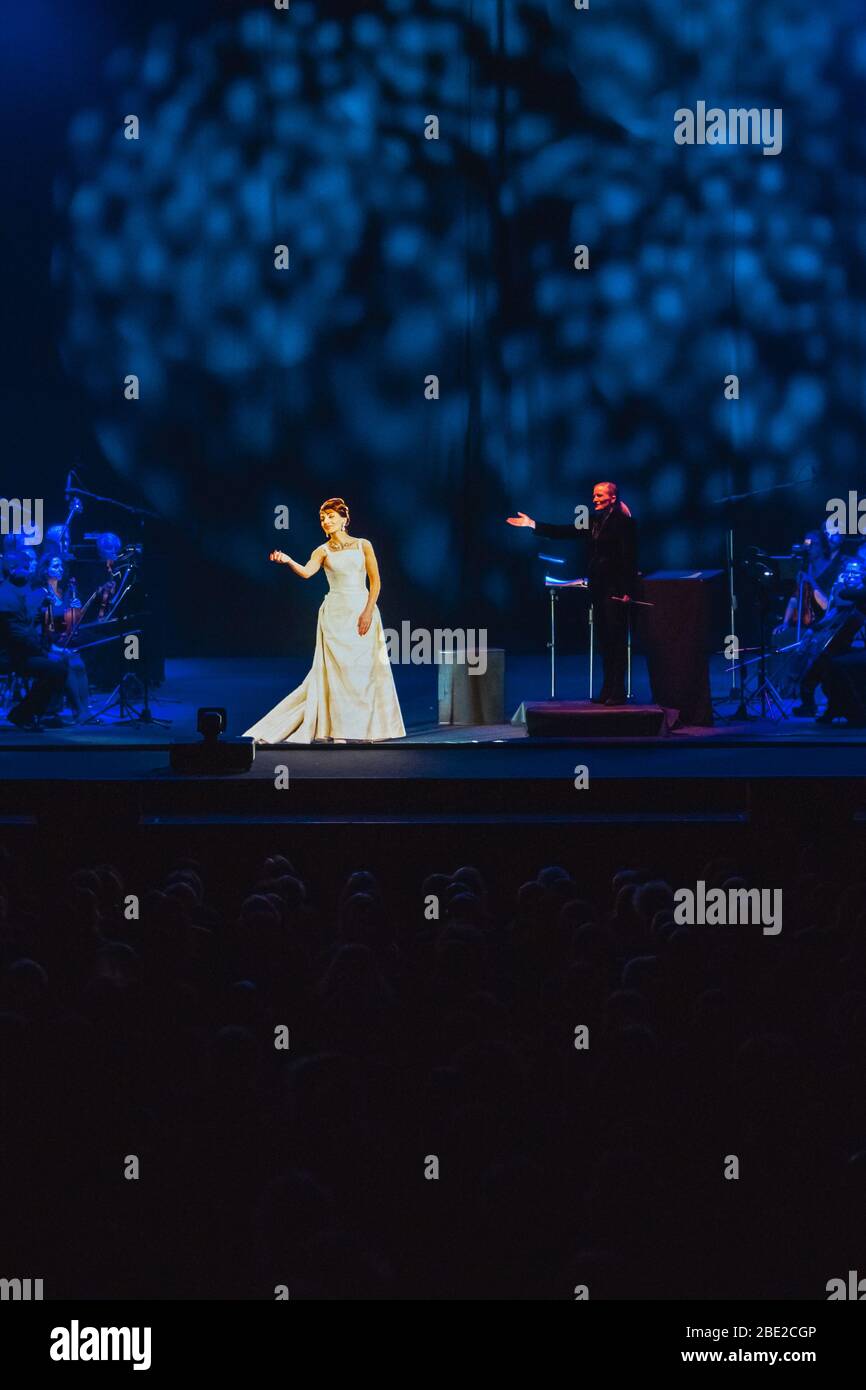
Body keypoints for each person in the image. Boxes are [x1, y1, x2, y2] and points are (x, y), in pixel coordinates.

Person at [244, 498, 405, 744]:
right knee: (338, 674)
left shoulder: (363, 545)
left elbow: (376, 581)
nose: (326, 522)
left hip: (361, 608)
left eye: (331, 516)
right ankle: (339, 730)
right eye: (322, 518)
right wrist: (287, 560)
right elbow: (308, 572)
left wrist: (368, 611)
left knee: (365, 671)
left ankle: (368, 729)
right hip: (335, 614)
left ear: (344, 519)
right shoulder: (322, 550)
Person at [507, 481, 638, 705]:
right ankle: (607, 689)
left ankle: (618, 691)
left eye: (600, 496)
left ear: (613, 498)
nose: (595, 499)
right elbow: (565, 531)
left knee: (616, 641)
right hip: (598, 587)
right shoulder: (594, 520)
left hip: (615, 589)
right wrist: (532, 524)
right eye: (594, 496)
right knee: (604, 642)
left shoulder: (623, 522)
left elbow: (629, 557)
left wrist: (627, 590)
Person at [0, 548, 69, 730]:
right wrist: (46, 653)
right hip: (9, 655)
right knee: (55, 669)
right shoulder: (6, 596)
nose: (31, 568)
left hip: (19, 651)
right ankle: (24, 714)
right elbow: (20, 636)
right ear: (14, 569)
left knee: (60, 664)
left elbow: (28, 627)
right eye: (26, 565)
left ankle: (41, 713)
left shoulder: (20, 591)